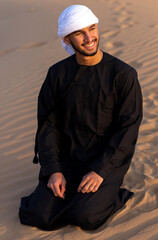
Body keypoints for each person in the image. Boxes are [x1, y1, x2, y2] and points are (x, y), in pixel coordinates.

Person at [18, 5, 142, 231]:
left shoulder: (123, 75)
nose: (89, 38)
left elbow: (128, 130)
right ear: (67, 39)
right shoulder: (57, 74)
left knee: (86, 218)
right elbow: (48, 126)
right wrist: (53, 170)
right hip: (68, 159)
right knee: (37, 215)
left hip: (104, 161)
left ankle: (112, 194)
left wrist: (100, 171)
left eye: (92, 29)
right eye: (79, 33)